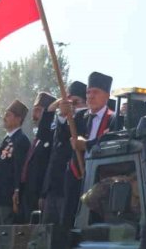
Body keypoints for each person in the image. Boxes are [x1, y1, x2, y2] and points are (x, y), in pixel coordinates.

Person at [58, 71, 119, 228]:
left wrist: (86, 145)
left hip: (98, 179)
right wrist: (63, 116)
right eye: (88, 92)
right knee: (68, 220)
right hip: (75, 176)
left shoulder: (114, 119)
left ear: (106, 95)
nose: (90, 96)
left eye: (95, 92)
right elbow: (61, 138)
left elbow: (109, 142)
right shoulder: (79, 117)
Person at [40, 81, 86, 224]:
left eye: (76, 102)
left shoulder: (86, 119)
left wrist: (67, 116)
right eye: (68, 102)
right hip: (52, 187)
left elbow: (71, 136)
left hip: (69, 188)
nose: (71, 106)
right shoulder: (60, 122)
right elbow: (43, 133)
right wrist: (54, 111)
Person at [0, 100, 31, 225]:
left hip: (8, 199)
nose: (4, 118)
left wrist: (17, 192)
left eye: (8, 115)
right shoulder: (7, 140)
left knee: (5, 236)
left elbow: (19, 169)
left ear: (18, 119)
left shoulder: (21, 140)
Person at [19, 92, 57, 222]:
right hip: (27, 193)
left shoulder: (52, 136)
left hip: (40, 195)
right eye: (34, 110)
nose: (34, 115)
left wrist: (43, 194)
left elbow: (49, 167)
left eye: (39, 110)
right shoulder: (38, 138)